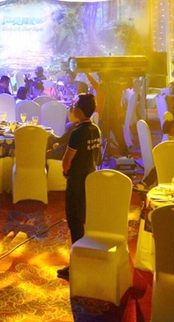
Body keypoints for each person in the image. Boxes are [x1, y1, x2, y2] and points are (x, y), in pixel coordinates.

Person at [57, 93, 102, 280]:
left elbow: (66, 161)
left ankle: (76, 264)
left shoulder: (77, 133)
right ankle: (83, 259)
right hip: (90, 180)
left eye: (75, 105)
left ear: (81, 110)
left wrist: (66, 171)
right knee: (83, 222)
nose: (72, 107)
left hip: (76, 181)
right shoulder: (95, 129)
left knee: (75, 223)